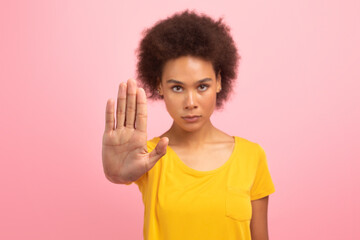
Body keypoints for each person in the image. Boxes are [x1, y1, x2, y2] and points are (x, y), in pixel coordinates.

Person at [102, 9, 275, 240]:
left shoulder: (252, 156)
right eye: (177, 88)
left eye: (202, 86)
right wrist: (115, 174)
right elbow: (122, 174)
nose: (190, 102)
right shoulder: (149, 156)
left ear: (219, 82)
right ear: (160, 86)